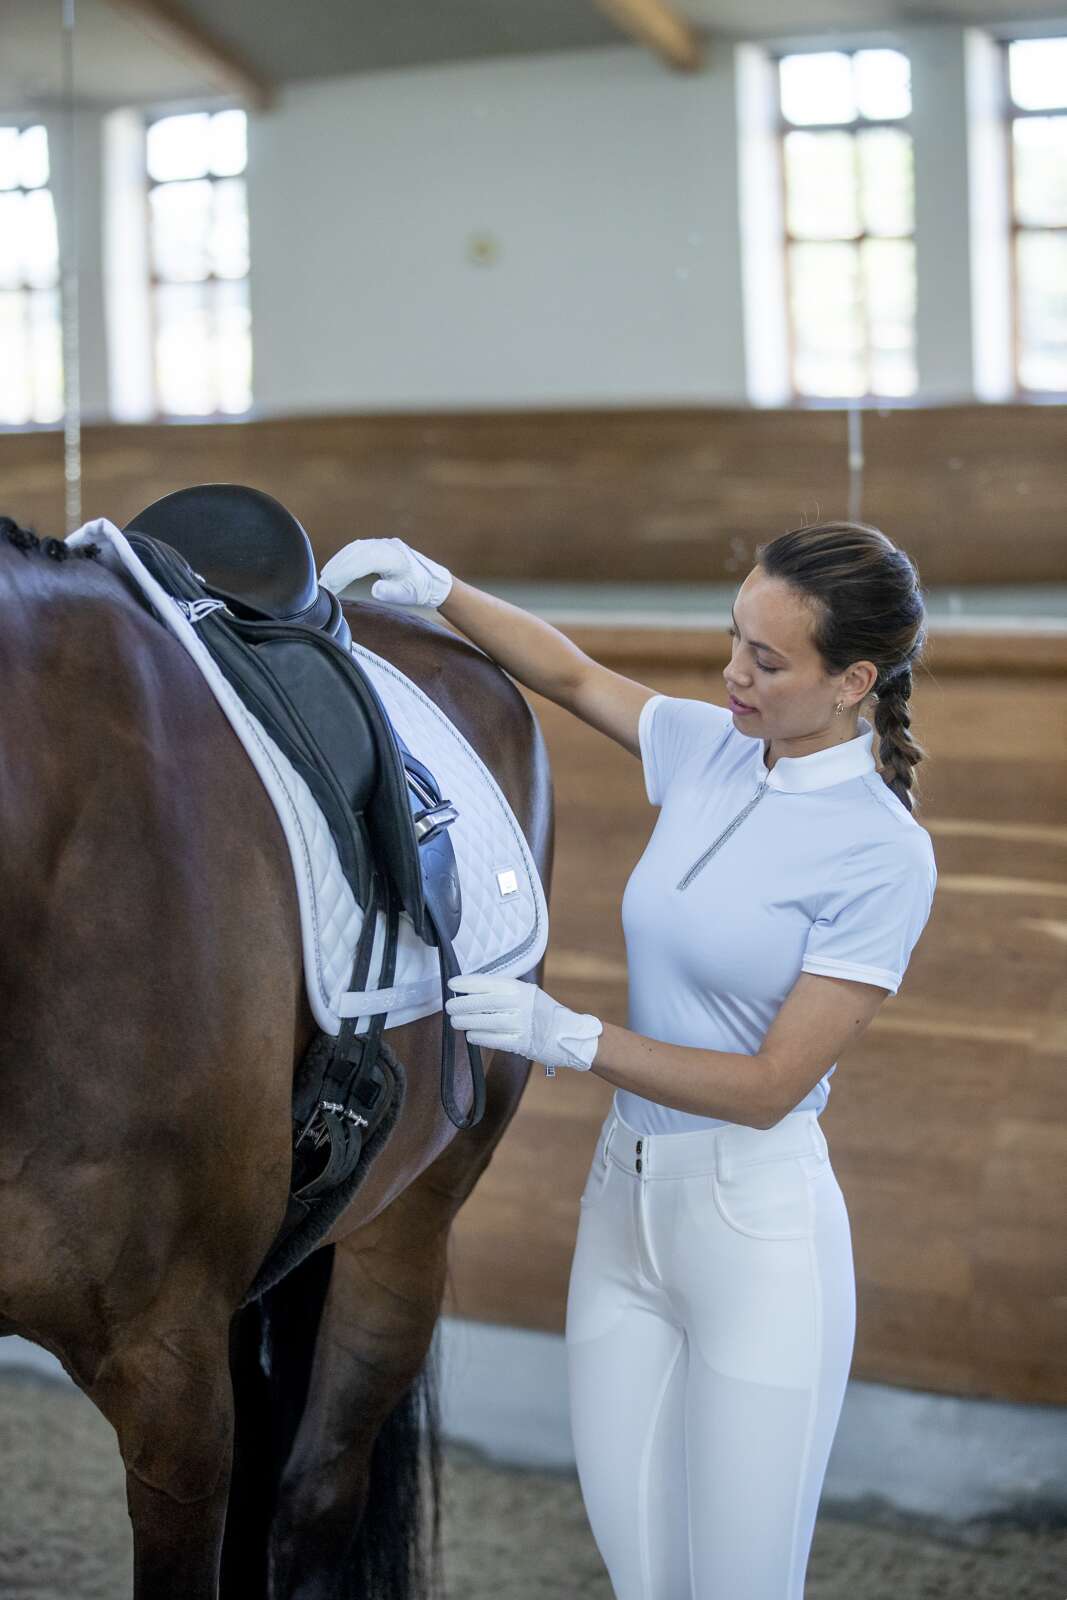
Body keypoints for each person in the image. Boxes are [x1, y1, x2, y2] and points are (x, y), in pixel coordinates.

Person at [321, 521, 938, 1600]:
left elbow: (768, 1087)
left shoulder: (881, 852)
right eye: (733, 639)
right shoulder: (708, 748)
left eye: (766, 659)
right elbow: (565, 672)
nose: (730, 673)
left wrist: (566, 1034)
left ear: (853, 681)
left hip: (756, 1236)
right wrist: (440, 587)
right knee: (643, 1577)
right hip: (622, 1206)